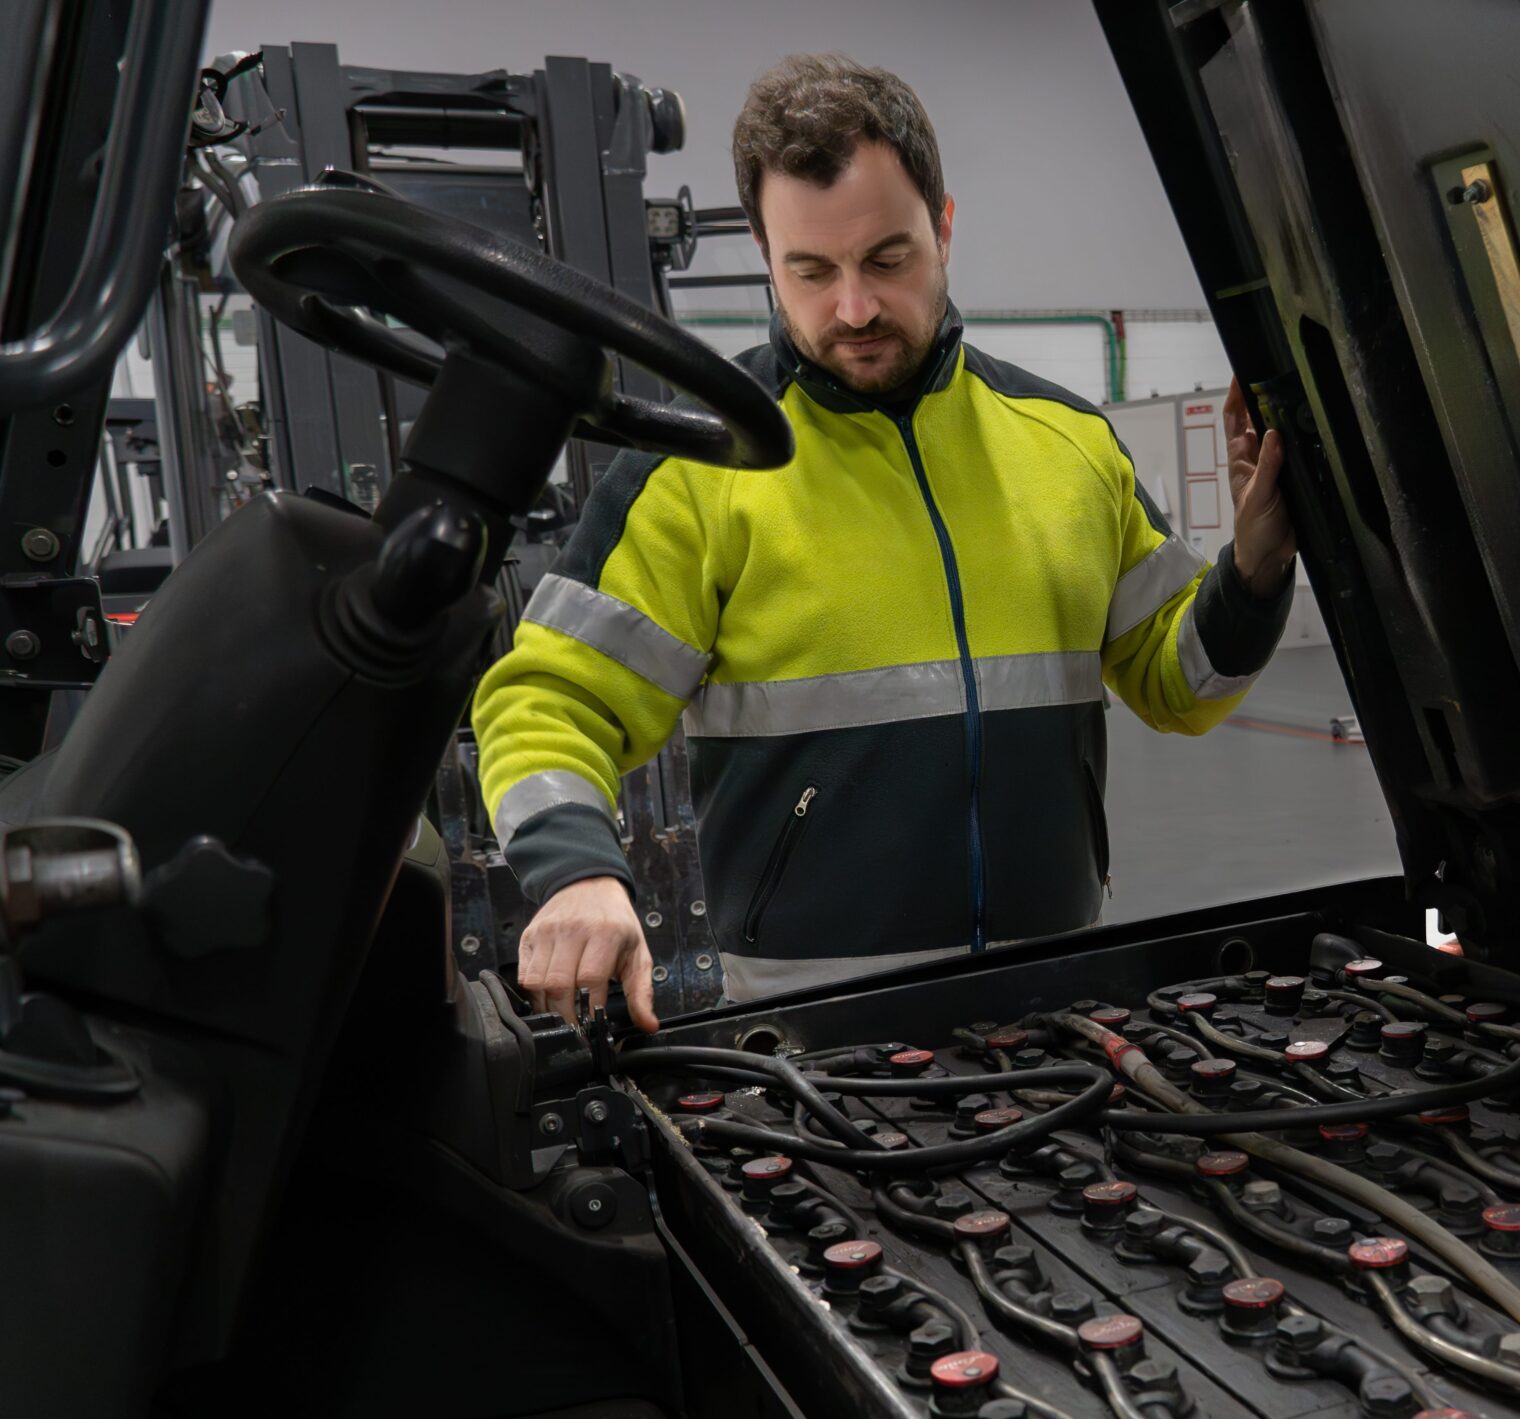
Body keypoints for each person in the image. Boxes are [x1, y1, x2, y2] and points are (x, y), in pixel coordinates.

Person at [471, 53, 1298, 1027]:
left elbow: (1180, 684)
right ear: (769, 256)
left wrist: (1253, 565)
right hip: (817, 1022)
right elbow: (544, 701)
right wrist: (575, 874)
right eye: (811, 272)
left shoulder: (1069, 446)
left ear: (943, 227)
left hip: (1066, 996)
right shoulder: (694, 470)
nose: (853, 309)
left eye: (887, 260)